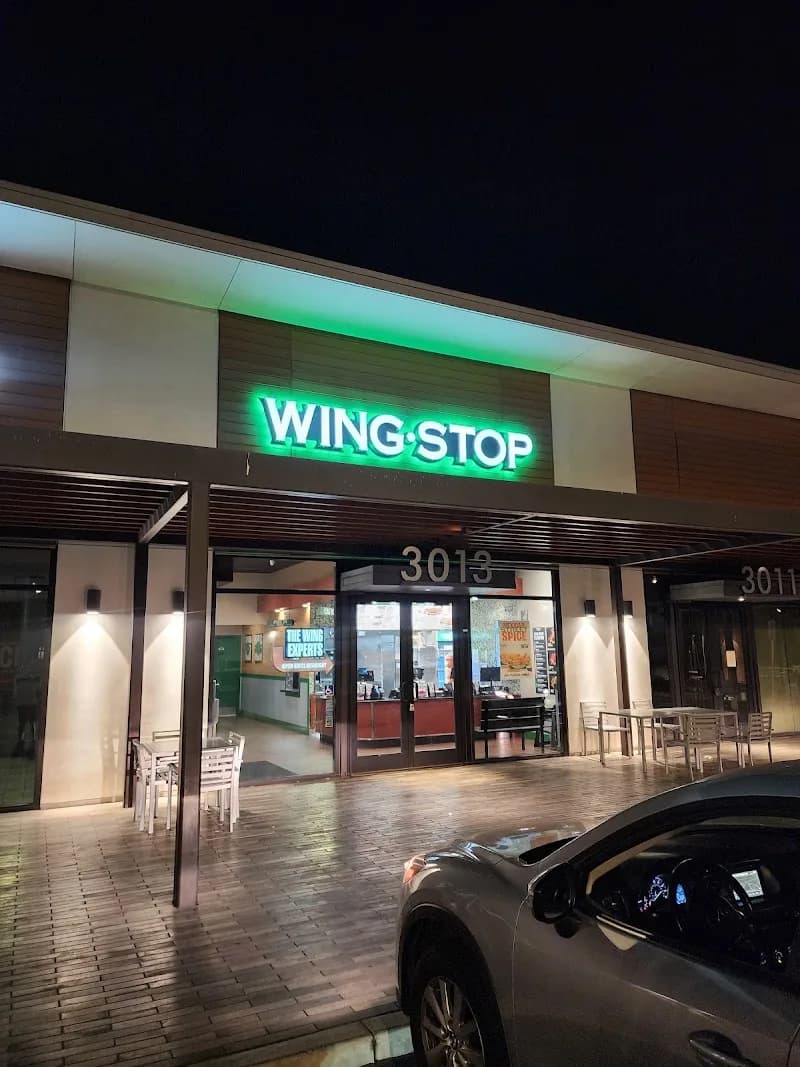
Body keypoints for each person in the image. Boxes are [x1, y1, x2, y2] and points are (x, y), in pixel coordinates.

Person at [14, 667, 40, 758]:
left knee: (24, 722)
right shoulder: (32, 677)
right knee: (28, 722)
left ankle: (24, 741)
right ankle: (28, 741)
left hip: (25, 699)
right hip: (29, 700)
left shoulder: (20, 677)